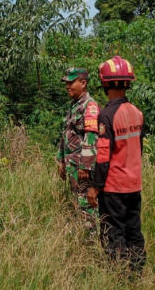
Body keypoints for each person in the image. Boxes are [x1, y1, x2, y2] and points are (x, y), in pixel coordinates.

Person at [88, 56, 145, 271]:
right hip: (134, 184)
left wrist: (95, 186)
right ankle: (137, 272)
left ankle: (119, 275)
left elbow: (103, 157)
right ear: (128, 82)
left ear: (104, 82)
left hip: (114, 187)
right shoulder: (137, 112)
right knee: (133, 230)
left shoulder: (106, 115)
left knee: (114, 233)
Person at [56, 67, 101, 232]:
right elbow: (66, 134)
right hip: (72, 165)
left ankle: (92, 241)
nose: (67, 86)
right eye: (66, 83)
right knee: (77, 203)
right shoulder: (73, 105)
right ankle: (82, 237)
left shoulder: (90, 106)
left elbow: (92, 136)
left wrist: (86, 165)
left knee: (87, 205)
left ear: (83, 83)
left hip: (82, 168)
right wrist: (61, 160)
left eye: (71, 82)